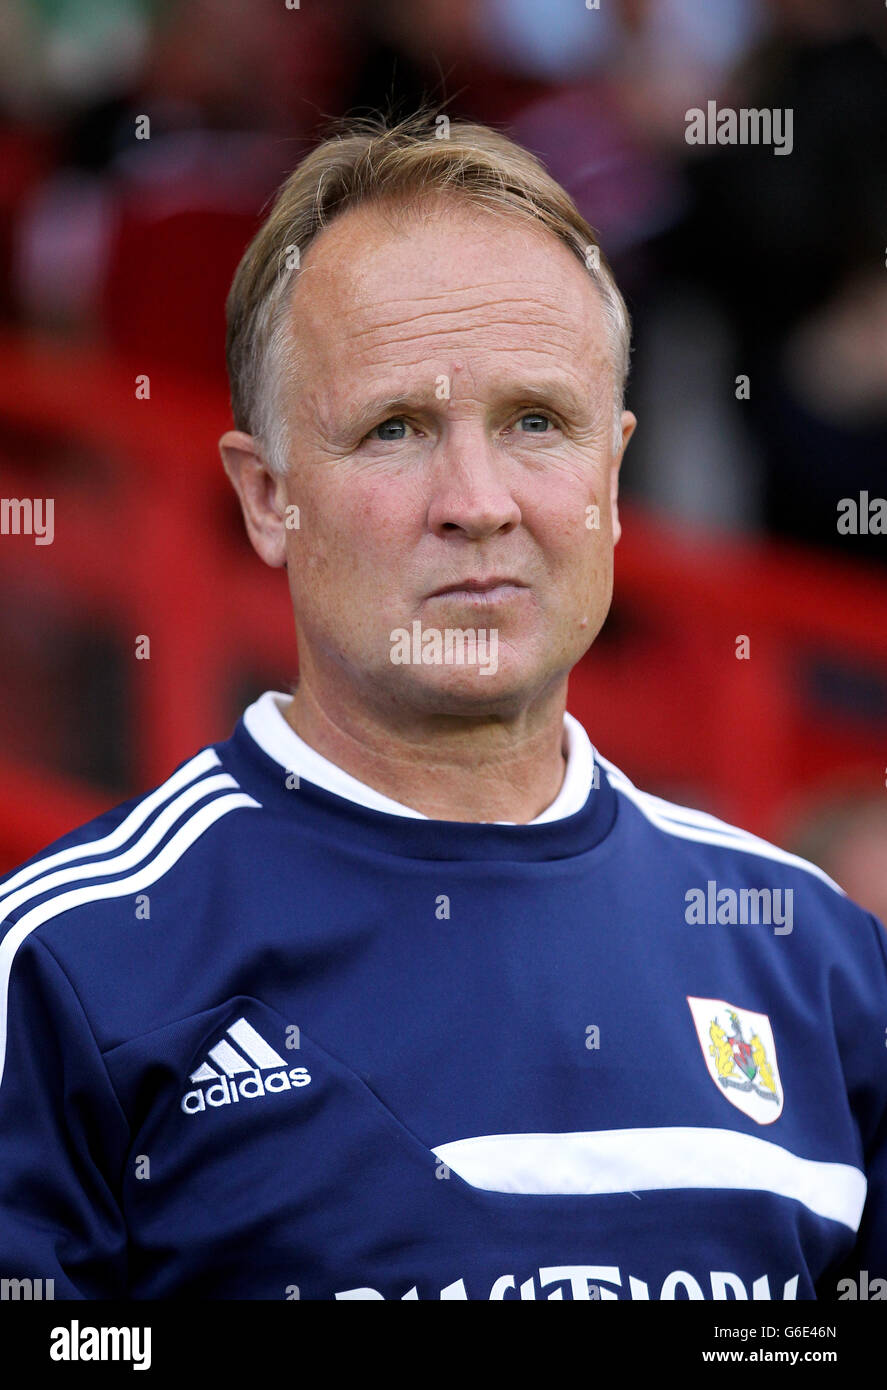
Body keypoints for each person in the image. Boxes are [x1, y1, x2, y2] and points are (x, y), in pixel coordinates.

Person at [0, 112, 884, 1301]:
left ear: (613, 480)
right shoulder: (64, 966)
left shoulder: (819, 962)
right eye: (395, 428)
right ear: (266, 499)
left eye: (534, 421)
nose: (477, 501)